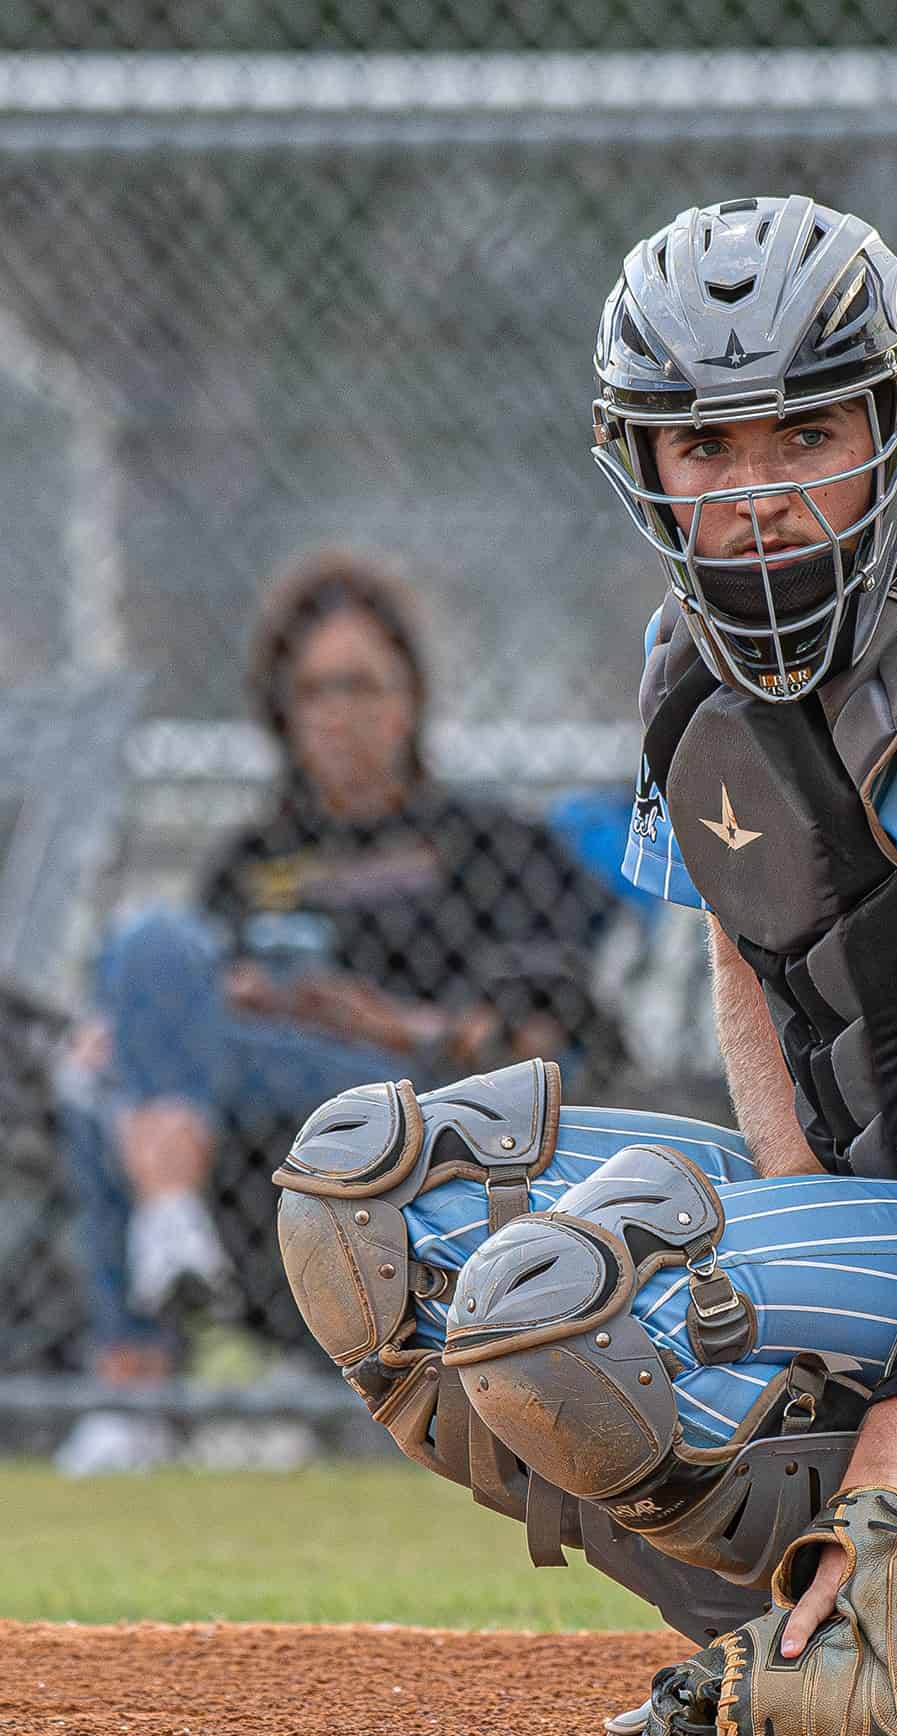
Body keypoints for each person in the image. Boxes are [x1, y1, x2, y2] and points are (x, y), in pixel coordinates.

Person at [276, 199, 897, 1736]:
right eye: (705, 447)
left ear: (890, 432)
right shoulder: (692, 674)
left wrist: (876, 1456)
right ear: (644, 464)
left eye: (804, 431)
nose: (754, 494)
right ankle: (859, 1585)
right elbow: (751, 976)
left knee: (565, 1292)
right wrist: (799, 1275)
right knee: (369, 1207)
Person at [58, 548, 617, 1444]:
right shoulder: (250, 860)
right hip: (249, 1135)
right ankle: (162, 1261)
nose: (338, 716)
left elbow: (561, 1036)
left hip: (410, 1106)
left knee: (119, 1078)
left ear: (412, 695)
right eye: (313, 691)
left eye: (362, 685)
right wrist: (151, 1024)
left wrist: (384, 1019)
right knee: (149, 957)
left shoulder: (488, 842)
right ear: (281, 711)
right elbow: (179, 999)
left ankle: (134, 1377)